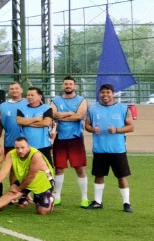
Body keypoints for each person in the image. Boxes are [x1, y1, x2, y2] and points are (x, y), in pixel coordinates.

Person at [84, 83, 135, 212]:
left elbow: (131, 127)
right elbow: (87, 125)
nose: (105, 95)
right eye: (103, 92)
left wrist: (117, 129)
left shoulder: (123, 108)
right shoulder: (93, 109)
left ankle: (126, 203)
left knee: (122, 176)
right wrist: (92, 129)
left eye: (108, 92)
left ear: (113, 94)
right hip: (100, 149)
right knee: (99, 175)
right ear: (99, 94)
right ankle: (97, 202)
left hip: (117, 149)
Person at [0, 136, 55, 217]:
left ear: (28, 146)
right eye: (17, 148)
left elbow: (32, 176)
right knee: (11, 195)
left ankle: (50, 199)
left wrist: (19, 189)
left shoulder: (36, 155)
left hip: (42, 182)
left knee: (42, 211)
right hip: (24, 179)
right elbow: (3, 172)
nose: (20, 150)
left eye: (22, 147)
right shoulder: (11, 154)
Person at [50, 76, 91, 206]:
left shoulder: (81, 100)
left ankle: (84, 197)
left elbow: (79, 116)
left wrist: (61, 116)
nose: (68, 86)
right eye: (66, 84)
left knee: (79, 168)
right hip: (60, 138)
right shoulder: (56, 100)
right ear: (62, 86)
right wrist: (70, 114)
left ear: (75, 86)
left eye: (70, 84)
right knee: (59, 168)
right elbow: (52, 114)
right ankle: (57, 197)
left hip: (75, 139)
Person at [17, 87, 55, 163]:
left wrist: (27, 122)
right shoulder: (21, 109)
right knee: (28, 169)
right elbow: (19, 121)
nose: (29, 97)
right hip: (26, 145)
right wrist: (36, 119)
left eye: (32, 95)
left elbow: (46, 123)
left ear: (40, 96)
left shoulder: (47, 108)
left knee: (46, 169)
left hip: (43, 144)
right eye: (28, 95)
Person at [0, 81, 27, 149]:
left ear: (21, 90)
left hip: (28, 143)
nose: (14, 90)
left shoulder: (28, 103)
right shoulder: (2, 106)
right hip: (10, 143)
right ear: (9, 91)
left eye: (17, 88)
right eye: (12, 89)